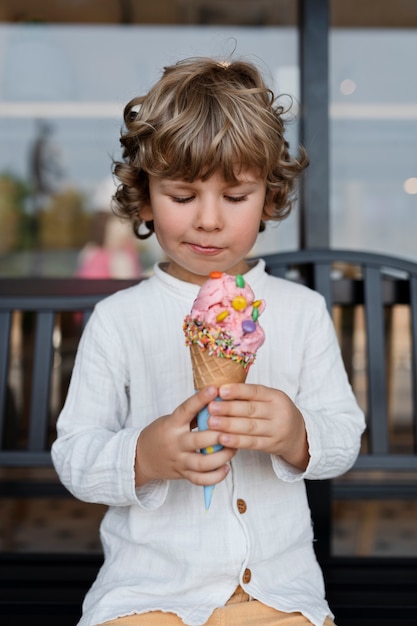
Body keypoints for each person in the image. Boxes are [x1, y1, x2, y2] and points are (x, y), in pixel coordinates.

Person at [51, 57, 365, 626]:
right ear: (145, 199)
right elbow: (74, 455)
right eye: (182, 195)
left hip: (278, 595)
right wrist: (142, 457)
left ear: (268, 199)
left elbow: (344, 436)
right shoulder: (118, 319)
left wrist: (298, 434)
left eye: (236, 196)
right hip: (147, 593)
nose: (209, 220)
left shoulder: (302, 312)